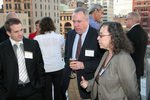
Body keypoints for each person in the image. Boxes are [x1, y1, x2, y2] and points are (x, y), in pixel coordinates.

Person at [80, 22, 140, 100]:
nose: (98, 38)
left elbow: (132, 91)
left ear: (113, 38)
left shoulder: (123, 58)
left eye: (101, 35)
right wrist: (89, 84)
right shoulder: (106, 54)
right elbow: (101, 78)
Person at [62, 7, 104, 100]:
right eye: (74, 21)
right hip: (71, 80)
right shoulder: (70, 34)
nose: (76, 25)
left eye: (79, 21)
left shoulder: (96, 35)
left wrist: (84, 65)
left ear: (87, 21)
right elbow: (66, 56)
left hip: (87, 81)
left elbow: (101, 61)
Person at [0, 18, 45, 100]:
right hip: (13, 92)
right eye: (16, 31)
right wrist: (3, 94)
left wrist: (41, 84)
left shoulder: (33, 44)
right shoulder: (2, 49)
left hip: (34, 90)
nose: (20, 34)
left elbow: (40, 65)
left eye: (21, 30)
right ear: (8, 33)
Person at [34, 17, 65, 100]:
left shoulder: (37, 39)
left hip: (45, 69)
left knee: (46, 92)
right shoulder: (59, 37)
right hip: (58, 67)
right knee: (59, 91)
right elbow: (62, 46)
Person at [125, 12, 148, 91]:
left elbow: (125, 52)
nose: (125, 21)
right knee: (137, 91)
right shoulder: (143, 32)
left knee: (133, 93)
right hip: (139, 68)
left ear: (133, 20)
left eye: (127, 19)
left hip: (131, 70)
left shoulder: (130, 34)